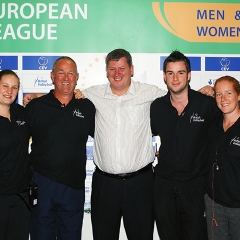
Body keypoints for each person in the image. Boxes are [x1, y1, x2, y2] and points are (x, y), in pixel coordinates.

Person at [23, 49, 214, 240]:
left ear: (131, 69)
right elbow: (64, 96)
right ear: (106, 71)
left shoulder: (150, 93)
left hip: (141, 184)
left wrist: (205, 92)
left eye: (122, 68)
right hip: (104, 186)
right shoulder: (92, 95)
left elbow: (178, 93)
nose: (117, 73)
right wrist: (37, 96)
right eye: (112, 69)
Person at [150, 50, 219, 240]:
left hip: (195, 188)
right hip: (164, 187)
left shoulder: (206, 104)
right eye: (170, 73)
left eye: (180, 72)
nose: (175, 78)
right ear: (164, 77)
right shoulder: (157, 107)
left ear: (189, 75)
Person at [25, 56, 95, 240]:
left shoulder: (87, 107)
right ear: (52, 76)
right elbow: (17, 139)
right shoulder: (36, 106)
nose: (66, 77)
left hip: (73, 188)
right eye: (61, 73)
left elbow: (107, 137)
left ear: (77, 77)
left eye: (70, 73)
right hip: (42, 184)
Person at [205, 76, 240, 240]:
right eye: (218, 94)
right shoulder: (213, 124)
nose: (223, 99)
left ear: (238, 95)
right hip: (214, 204)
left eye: (228, 93)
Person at [0, 69, 32, 240]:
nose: (9, 91)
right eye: (5, 86)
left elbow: (50, 103)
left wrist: (33, 94)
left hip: (22, 196)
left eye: (14, 87)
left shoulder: (21, 112)